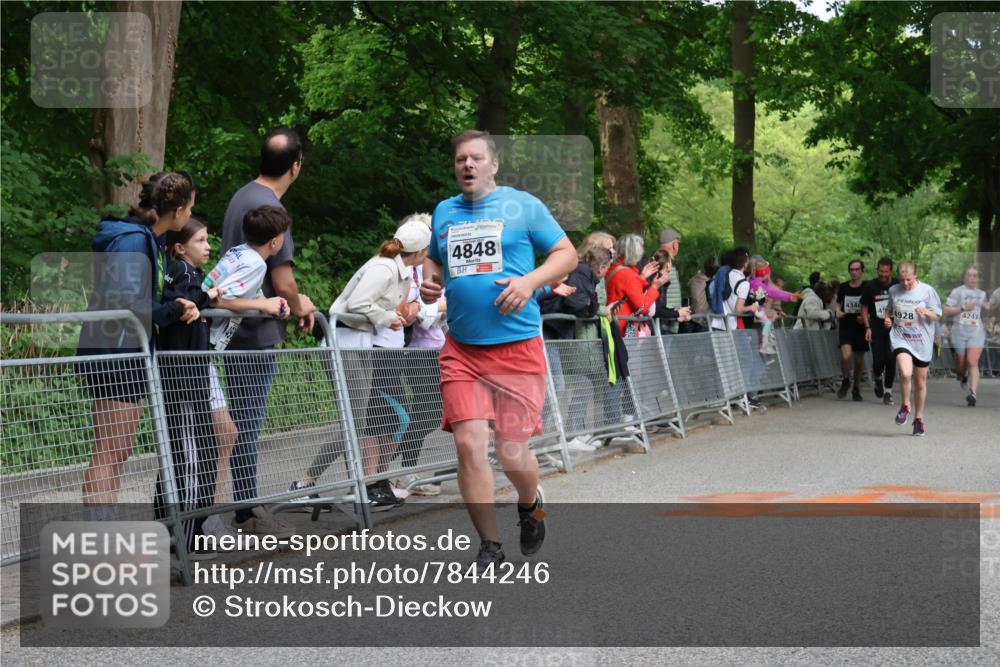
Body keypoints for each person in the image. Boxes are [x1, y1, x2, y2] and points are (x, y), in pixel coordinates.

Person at [420, 129, 578, 573]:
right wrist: (432, 280)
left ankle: (532, 505)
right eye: (459, 160)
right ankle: (489, 545)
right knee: (470, 445)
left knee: (511, 452)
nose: (466, 166)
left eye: (475, 159)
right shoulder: (445, 211)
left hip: (517, 348)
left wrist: (530, 282)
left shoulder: (523, 206)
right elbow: (435, 258)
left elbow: (567, 255)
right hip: (463, 350)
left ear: (493, 165)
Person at [77, 172, 199, 507]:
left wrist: (180, 302)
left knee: (117, 449)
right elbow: (127, 301)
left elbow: (147, 295)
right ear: (176, 210)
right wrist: (172, 309)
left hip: (126, 350)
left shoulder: (150, 239)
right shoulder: (134, 240)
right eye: (189, 208)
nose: (190, 215)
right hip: (115, 351)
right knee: (110, 450)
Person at [294, 217, 432, 509]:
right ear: (420, 252)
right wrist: (388, 318)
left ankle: (356, 487)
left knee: (357, 422)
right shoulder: (382, 268)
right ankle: (306, 483)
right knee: (353, 423)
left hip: (360, 346)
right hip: (344, 345)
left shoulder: (400, 270)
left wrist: (393, 314)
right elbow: (356, 304)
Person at [220, 129, 316, 537]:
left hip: (234, 326)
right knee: (247, 422)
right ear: (296, 167)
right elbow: (284, 279)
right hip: (255, 331)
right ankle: (247, 510)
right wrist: (301, 307)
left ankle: (240, 505)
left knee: (234, 420)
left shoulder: (242, 197)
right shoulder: (271, 208)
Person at [156, 218, 230, 557]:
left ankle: (174, 527)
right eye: (201, 240)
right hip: (184, 376)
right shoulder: (183, 272)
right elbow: (184, 304)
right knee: (188, 453)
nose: (208, 246)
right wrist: (208, 295)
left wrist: (208, 298)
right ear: (181, 247)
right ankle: (185, 537)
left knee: (186, 450)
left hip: (187, 374)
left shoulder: (182, 272)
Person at [884, 261, 942, 436]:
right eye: (902, 280)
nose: (905, 284)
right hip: (901, 338)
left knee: (920, 382)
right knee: (906, 372)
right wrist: (888, 319)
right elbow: (889, 310)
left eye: (908, 280)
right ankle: (905, 405)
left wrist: (926, 312)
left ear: (915, 275)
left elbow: (938, 315)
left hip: (922, 341)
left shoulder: (927, 291)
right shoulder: (894, 290)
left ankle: (919, 419)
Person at [606, 234, 669, 336]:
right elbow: (641, 308)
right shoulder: (627, 275)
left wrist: (641, 277)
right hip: (623, 329)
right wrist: (654, 287)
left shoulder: (614, 269)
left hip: (614, 324)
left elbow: (626, 293)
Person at [943, 266, 987, 406]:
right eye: (969, 275)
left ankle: (973, 394)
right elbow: (946, 309)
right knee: (961, 363)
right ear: (965, 277)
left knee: (972, 362)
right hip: (959, 331)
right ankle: (962, 375)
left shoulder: (982, 294)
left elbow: (985, 311)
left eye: (975, 276)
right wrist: (962, 308)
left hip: (976, 331)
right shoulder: (957, 292)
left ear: (978, 279)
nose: (972, 278)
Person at [861, 257, 898, 405]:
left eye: (886, 272)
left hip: (895, 328)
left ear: (891, 271)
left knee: (890, 360)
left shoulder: (897, 285)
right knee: (878, 361)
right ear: (877, 270)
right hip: (876, 327)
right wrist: (867, 327)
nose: (883, 275)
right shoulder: (870, 286)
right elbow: (863, 308)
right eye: (881, 272)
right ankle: (877, 378)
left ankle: (888, 392)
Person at [835, 259, 869, 401]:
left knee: (859, 360)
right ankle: (846, 380)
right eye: (852, 270)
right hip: (846, 325)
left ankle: (856, 387)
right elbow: (838, 305)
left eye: (857, 269)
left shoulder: (867, 287)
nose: (854, 272)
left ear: (862, 271)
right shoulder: (843, 287)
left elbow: (871, 306)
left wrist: (866, 318)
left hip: (861, 326)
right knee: (846, 356)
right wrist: (837, 312)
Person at [709, 248, 757, 331]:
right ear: (745, 264)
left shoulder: (724, 274)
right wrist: (752, 307)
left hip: (716, 322)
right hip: (730, 326)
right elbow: (738, 310)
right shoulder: (744, 283)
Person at [652, 228, 682, 334]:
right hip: (665, 323)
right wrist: (676, 315)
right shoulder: (666, 264)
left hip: (666, 320)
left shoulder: (656, 261)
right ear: (674, 244)